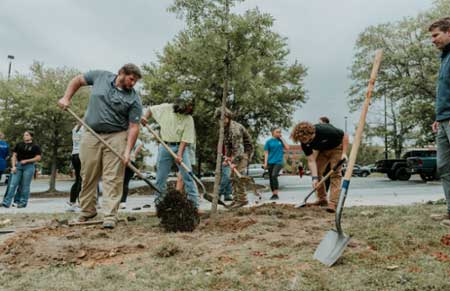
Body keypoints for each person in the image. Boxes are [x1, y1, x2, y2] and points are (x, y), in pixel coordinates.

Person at [58, 64, 143, 229]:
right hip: (91, 133)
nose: (133, 84)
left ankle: (110, 215)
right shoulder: (100, 76)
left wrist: (127, 152)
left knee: (113, 177)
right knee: (88, 174)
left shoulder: (134, 99)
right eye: (132, 79)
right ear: (122, 73)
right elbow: (77, 80)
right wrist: (66, 98)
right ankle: (87, 211)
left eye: (136, 81)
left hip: (117, 136)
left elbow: (134, 127)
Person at [141, 93, 199, 209]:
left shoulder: (189, 119)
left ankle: (194, 205)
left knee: (187, 176)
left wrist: (179, 154)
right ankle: (159, 204)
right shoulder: (166, 108)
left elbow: (186, 138)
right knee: (160, 177)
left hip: (181, 147)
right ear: (181, 104)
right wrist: (145, 117)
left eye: (191, 106)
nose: (190, 108)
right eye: (188, 106)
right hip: (165, 146)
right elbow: (150, 109)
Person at [291, 121, 348, 213]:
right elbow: (311, 160)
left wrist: (344, 153)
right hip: (323, 150)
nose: (307, 143)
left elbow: (345, 135)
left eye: (309, 140)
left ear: (312, 133)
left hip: (337, 148)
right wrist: (314, 178)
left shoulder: (325, 130)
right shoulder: (304, 142)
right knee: (317, 173)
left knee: (335, 174)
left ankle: (333, 203)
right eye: (304, 141)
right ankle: (322, 199)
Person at [429, 17, 450, 227]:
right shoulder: (445, 57)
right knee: (444, 166)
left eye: (436, 35)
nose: (433, 40)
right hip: (444, 119)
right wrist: (439, 116)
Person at [216, 107, 254, 209]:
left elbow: (239, 148)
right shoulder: (224, 129)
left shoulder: (235, 129)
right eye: (219, 119)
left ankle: (242, 200)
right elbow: (228, 145)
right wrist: (228, 157)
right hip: (236, 152)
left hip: (245, 152)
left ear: (228, 117)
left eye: (223, 118)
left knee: (238, 176)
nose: (221, 121)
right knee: (232, 176)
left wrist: (234, 161)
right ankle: (236, 199)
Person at [1, 131, 41, 208]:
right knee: (12, 185)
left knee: (25, 186)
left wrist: (27, 160)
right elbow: (14, 156)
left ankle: (22, 203)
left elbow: (38, 157)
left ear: (31, 137)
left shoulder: (35, 146)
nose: (24, 136)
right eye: (24, 135)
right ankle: (6, 202)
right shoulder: (19, 145)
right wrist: (13, 166)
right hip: (18, 166)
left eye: (26, 135)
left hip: (29, 166)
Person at [264, 128, 289, 200]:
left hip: (279, 162)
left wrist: (282, 138)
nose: (279, 133)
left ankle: (276, 193)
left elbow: (287, 147)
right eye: (277, 132)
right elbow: (266, 153)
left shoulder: (280, 141)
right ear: (273, 133)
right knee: (271, 178)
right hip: (270, 162)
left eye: (280, 132)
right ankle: (273, 194)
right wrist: (265, 163)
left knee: (274, 175)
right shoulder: (268, 142)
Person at [120, 138, 143, 209]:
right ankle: (118, 202)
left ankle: (122, 202)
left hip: (129, 162)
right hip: (118, 160)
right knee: (118, 182)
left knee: (125, 182)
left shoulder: (131, 137)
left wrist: (133, 155)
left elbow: (140, 144)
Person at [66, 123, 84, 212]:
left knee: (78, 180)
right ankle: (80, 202)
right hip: (82, 154)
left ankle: (72, 202)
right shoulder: (84, 128)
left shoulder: (75, 128)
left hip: (75, 155)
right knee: (82, 179)